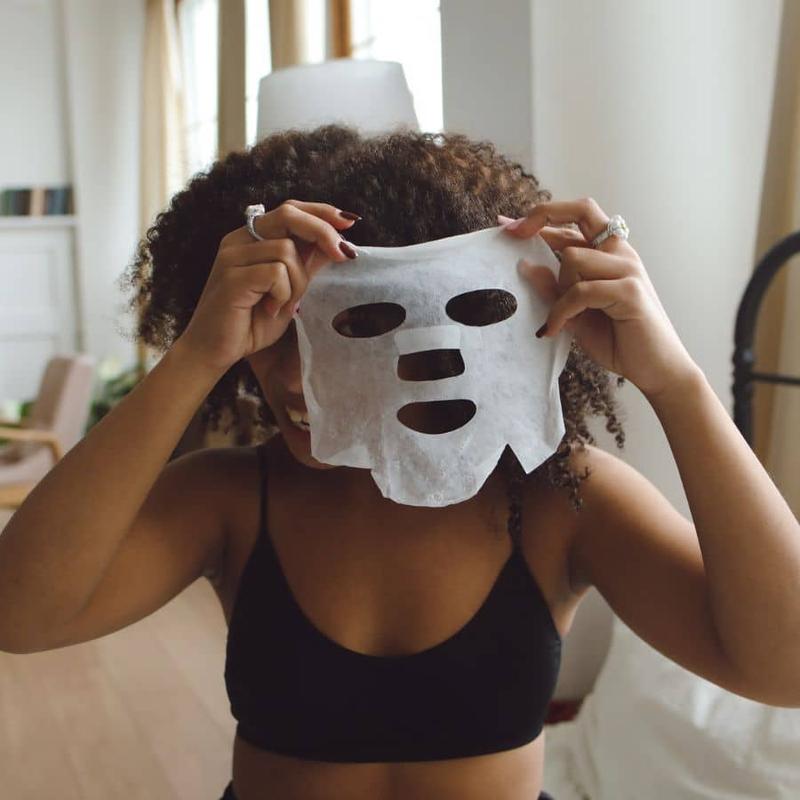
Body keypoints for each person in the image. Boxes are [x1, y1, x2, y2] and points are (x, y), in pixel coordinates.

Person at [1, 124, 798, 800]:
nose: (294, 380)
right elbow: (21, 616)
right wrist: (196, 358)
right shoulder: (232, 498)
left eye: (353, 327)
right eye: (272, 328)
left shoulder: (559, 499)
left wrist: (676, 382)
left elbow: (786, 667)